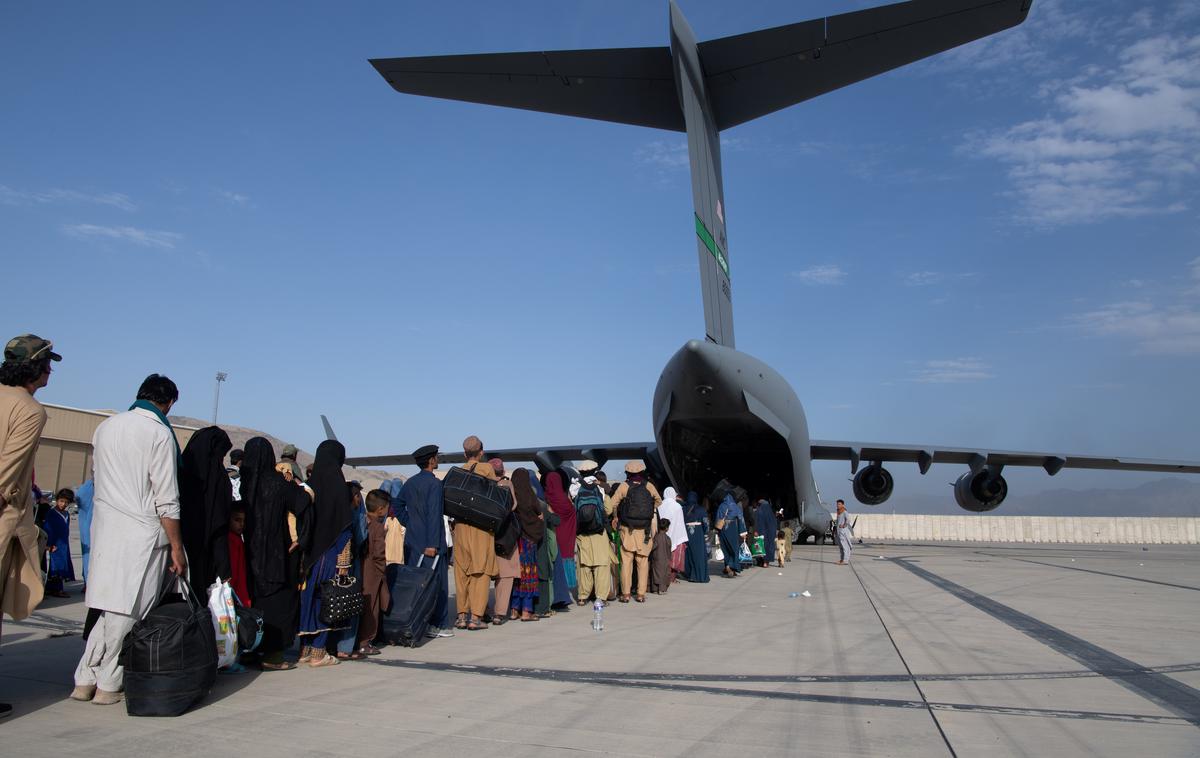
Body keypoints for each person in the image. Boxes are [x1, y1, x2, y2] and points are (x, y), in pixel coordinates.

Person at [73, 373, 186, 706]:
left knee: (106, 609)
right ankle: (108, 682)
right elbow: (166, 497)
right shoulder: (159, 433)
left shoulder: (106, 427)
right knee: (130, 611)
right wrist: (177, 547)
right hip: (144, 533)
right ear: (169, 403)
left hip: (107, 528)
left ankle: (84, 676)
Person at [242, 437, 308, 671]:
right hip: (277, 555)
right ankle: (274, 656)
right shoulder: (278, 482)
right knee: (279, 605)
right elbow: (302, 503)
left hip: (249, 554)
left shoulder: (244, 484)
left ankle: (250, 649)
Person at [297, 440, 354, 667]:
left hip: (308, 555)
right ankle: (319, 650)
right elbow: (345, 526)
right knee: (327, 601)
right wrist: (344, 560)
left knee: (308, 599)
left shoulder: (310, 485)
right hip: (330, 554)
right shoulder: (339, 487)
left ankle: (305, 649)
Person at [397, 444, 453, 638]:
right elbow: (433, 515)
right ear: (430, 461)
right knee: (437, 584)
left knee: (415, 585)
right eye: (436, 457)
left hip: (413, 542)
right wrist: (432, 544)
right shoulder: (434, 484)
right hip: (431, 545)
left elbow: (397, 504)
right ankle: (437, 624)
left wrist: (410, 524)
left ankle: (415, 621)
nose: (437, 460)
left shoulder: (410, 483)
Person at [179, 426, 233, 601]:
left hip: (173, 552)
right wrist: (225, 570)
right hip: (204, 559)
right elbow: (218, 527)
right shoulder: (217, 481)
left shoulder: (178, 473)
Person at [452, 436, 499, 631]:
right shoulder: (487, 469)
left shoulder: (459, 471)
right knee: (481, 572)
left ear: (464, 453)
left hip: (461, 527)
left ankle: (461, 616)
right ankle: (476, 618)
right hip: (481, 527)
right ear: (481, 452)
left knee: (462, 571)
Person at [609, 460, 661, 603]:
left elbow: (612, 504)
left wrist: (616, 515)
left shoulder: (624, 486)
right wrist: (648, 510)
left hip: (628, 529)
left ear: (628, 473)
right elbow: (658, 501)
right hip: (644, 530)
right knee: (643, 562)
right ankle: (640, 594)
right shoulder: (649, 486)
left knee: (626, 562)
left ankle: (626, 594)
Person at [572, 460, 613, 606]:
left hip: (582, 533)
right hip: (599, 532)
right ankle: (600, 597)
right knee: (601, 566)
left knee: (584, 566)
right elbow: (608, 510)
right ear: (595, 471)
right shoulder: (600, 488)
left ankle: (583, 596)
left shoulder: (575, 488)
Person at [356, 490, 391, 655]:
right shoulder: (377, 526)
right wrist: (382, 570)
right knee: (372, 607)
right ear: (381, 509)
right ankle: (365, 641)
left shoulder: (362, 520)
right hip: (373, 572)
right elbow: (379, 553)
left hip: (360, 568)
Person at [510, 468, 543, 622]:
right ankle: (526, 611)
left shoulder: (511, 497)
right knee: (528, 575)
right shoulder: (530, 496)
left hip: (515, 543)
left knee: (517, 576)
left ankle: (514, 610)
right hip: (529, 543)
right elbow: (539, 514)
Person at [488, 458, 518, 625]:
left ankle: (480, 611)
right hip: (504, 535)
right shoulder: (507, 484)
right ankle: (499, 613)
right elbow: (513, 505)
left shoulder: (483, 484)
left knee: (482, 576)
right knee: (505, 576)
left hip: (485, 534)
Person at [543, 470, 576, 609]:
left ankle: (555, 593)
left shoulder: (546, 498)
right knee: (565, 560)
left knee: (554, 563)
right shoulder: (565, 500)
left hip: (553, 536)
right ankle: (565, 591)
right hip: (566, 536)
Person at [44, 488, 76, 598]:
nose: (63, 504)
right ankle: (57, 589)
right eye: (61, 501)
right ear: (57, 500)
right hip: (55, 544)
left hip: (64, 545)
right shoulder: (52, 513)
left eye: (66, 502)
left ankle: (50, 588)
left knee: (63, 564)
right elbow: (48, 529)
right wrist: (48, 545)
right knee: (57, 566)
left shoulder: (66, 513)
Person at [657, 487, 689, 583]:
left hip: (662, 534)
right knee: (674, 558)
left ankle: (662, 576)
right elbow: (680, 523)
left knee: (662, 556)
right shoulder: (678, 506)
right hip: (675, 534)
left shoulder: (659, 505)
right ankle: (672, 578)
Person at [715, 489, 747, 578]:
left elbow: (717, 518)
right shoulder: (734, 506)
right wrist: (743, 532)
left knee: (725, 549)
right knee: (734, 549)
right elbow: (741, 518)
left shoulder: (721, 506)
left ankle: (728, 567)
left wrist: (717, 530)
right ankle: (731, 567)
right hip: (732, 529)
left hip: (723, 530)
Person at [226, 507, 250, 606]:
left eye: (243, 521)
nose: (241, 524)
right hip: (236, 591)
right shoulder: (232, 540)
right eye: (237, 520)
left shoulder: (237, 539)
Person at [75, 478, 94, 589]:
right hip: (91, 525)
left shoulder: (88, 486)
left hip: (89, 525)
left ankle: (88, 581)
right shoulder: (90, 486)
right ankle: (89, 582)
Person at [649, 518, 673, 594]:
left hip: (657, 560)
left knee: (656, 574)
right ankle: (662, 589)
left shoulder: (656, 537)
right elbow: (669, 549)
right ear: (666, 528)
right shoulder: (668, 538)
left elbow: (653, 547)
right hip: (666, 560)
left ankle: (655, 589)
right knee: (664, 574)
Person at [755, 499, 779, 566]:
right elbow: (774, 523)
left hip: (761, 532)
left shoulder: (759, 511)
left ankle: (762, 561)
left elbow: (757, 522)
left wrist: (756, 531)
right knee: (770, 546)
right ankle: (766, 562)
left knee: (761, 546)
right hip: (770, 533)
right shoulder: (771, 512)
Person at [835, 500, 853, 565]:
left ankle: (845, 560)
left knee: (845, 546)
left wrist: (843, 525)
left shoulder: (845, 512)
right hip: (839, 532)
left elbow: (848, 520)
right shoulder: (839, 512)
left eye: (839, 504)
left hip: (843, 532)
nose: (838, 505)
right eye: (837, 504)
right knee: (841, 547)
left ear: (843, 505)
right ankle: (842, 559)